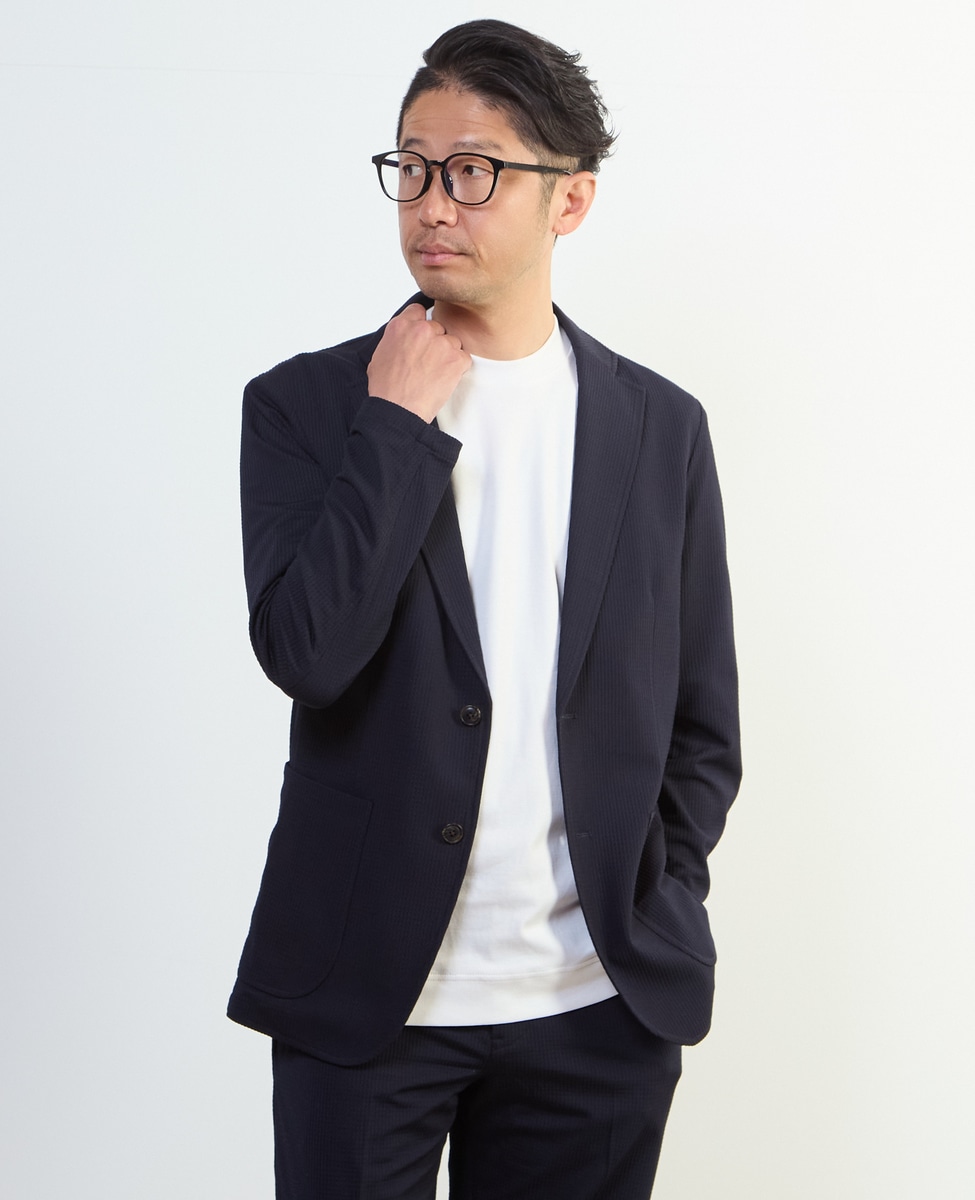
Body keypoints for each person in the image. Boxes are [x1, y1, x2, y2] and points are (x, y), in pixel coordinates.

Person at [228, 18, 741, 1199]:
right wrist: (395, 427)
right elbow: (308, 653)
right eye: (411, 168)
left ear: (571, 201)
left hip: (595, 1005)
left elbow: (702, 718)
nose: (431, 204)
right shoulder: (307, 407)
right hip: (370, 1000)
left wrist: (656, 893)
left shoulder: (659, 429)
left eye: (473, 171)